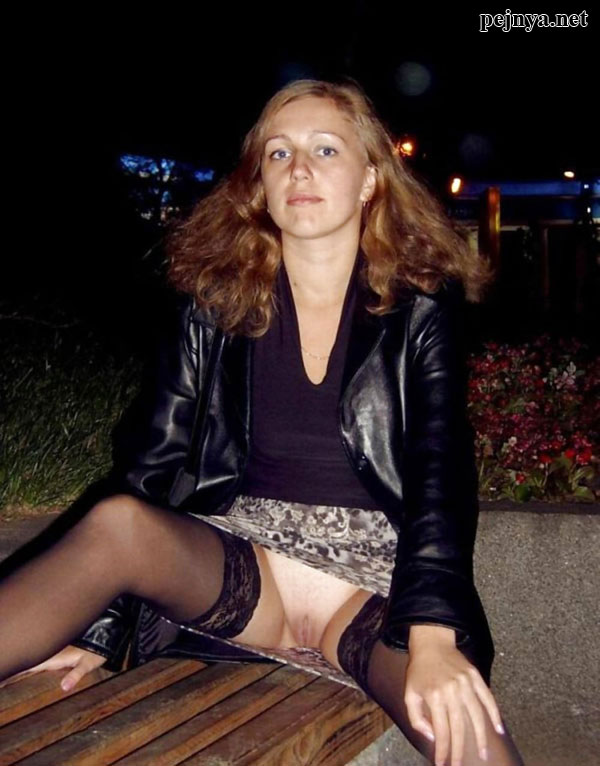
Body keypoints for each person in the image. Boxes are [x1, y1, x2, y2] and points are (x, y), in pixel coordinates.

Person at [0, 78, 525, 766]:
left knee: (468, 734)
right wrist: (94, 625)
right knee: (119, 522)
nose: (299, 169)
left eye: (325, 150)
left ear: (370, 180)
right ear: (260, 184)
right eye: (278, 153)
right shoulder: (215, 303)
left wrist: (432, 634)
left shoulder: (419, 307)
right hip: (246, 570)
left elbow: (441, 477)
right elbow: (151, 465)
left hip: (372, 585)